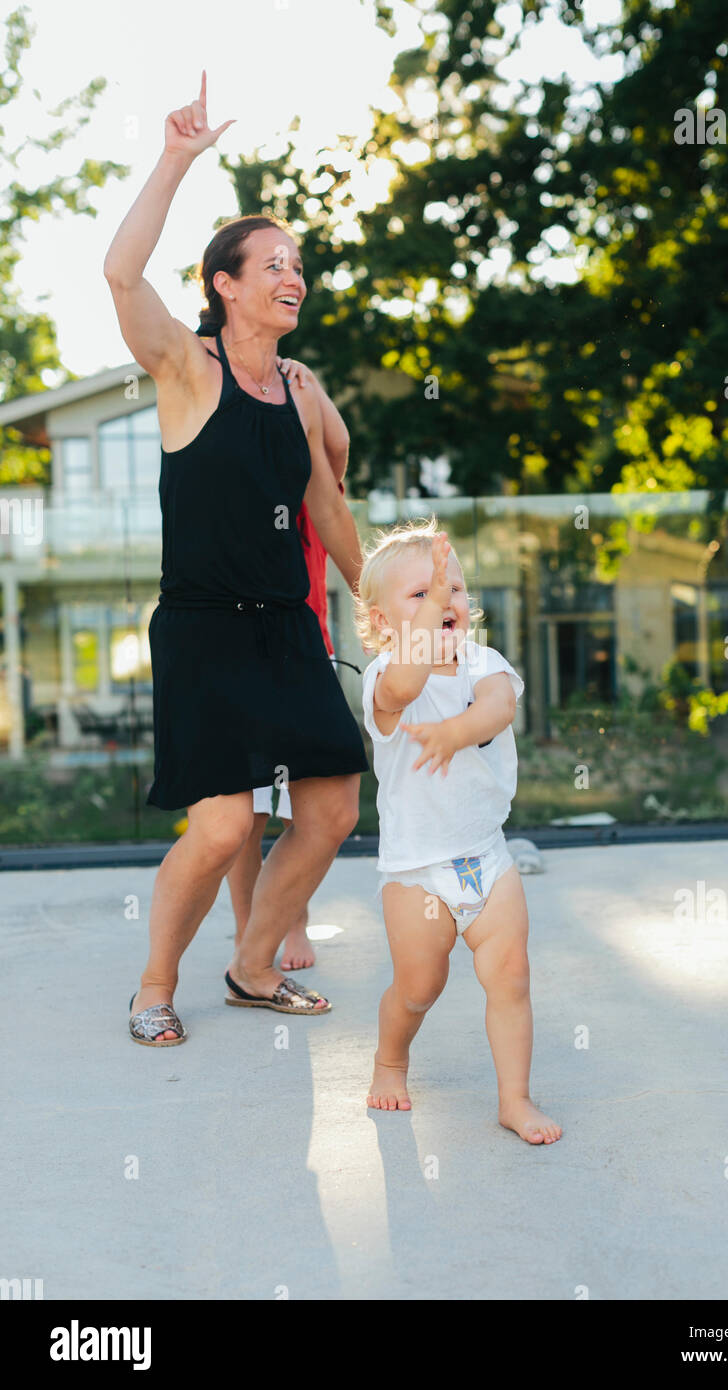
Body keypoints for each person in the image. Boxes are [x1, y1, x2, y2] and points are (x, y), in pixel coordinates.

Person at [104, 71, 368, 1045]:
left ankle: (252, 966)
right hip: (204, 630)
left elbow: (327, 506)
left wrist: (377, 602)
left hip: (285, 628)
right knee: (221, 826)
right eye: (272, 265)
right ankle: (153, 983)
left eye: (298, 266)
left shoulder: (297, 389)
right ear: (224, 283)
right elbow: (123, 278)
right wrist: (175, 159)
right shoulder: (184, 367)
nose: (292, 278)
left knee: (333, 807)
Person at [356, 519, 562, 1145]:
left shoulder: (483, 662)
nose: (445, 600)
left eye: (453, 588)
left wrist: (456, 732)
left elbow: (499, 708)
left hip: (488, 860)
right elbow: (406, 683)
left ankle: (514, 1099)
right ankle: (391, 1058)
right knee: (420, 988)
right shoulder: (385, 680)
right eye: (421, 594)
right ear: (383, 622)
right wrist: (423, 631)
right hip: (417, 872)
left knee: (511, 979)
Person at [226, 365, 353, 973]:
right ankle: (247, 932)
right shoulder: (240, 492)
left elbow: (339, 445)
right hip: (241, 655)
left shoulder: (318, 491)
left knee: (307, 807)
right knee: (244, 811)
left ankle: (291, 922)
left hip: (307, 653)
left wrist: (308, 387)